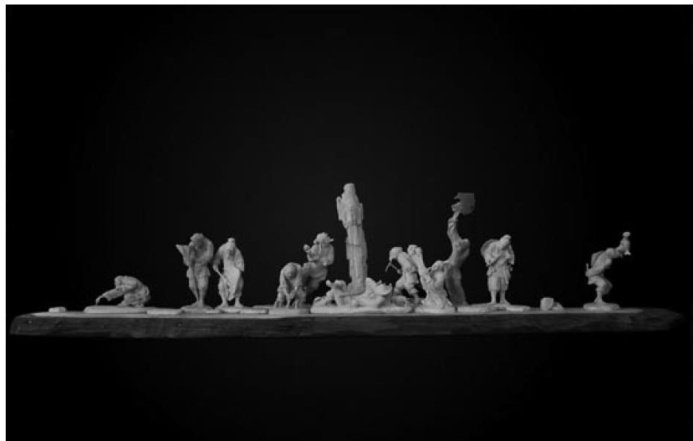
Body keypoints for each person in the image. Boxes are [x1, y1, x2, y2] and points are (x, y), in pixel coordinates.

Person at [176, 233, 214, 308]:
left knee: (202, 285)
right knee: (192, 285)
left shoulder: (208, 244)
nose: (195, 246)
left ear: (200, 241)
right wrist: (188, 260)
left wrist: (197, 259)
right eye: (194, 243)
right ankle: (197, 300)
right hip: (193, 267)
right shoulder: (192, 244)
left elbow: (209, 257)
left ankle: (201, 300)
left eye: (197, 243)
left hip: (202, 267)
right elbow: (187, 257)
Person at [213, 237, 245, 308]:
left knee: (239, 284)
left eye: (230, 251)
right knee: (221, 285)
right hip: (226, 270)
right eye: (228, 251)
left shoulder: (237, 252)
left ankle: (237, 302)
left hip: (234, 270)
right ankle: (224, 302)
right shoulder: (222, 249)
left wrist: (238, 271)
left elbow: (240, 263)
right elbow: (217, 258)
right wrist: (215, 264)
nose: (229, 252)